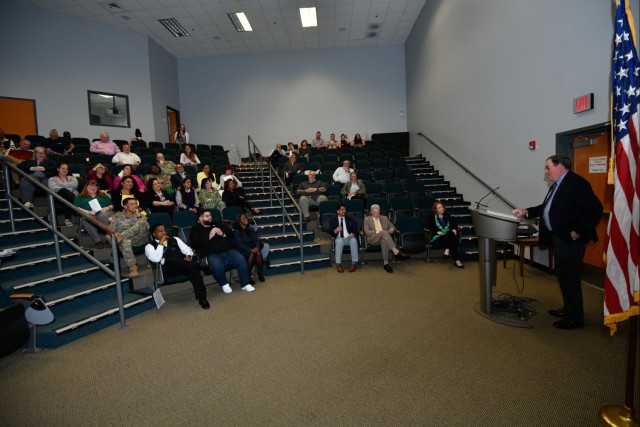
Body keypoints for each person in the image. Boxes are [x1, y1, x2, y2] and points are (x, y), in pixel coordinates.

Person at [512, 154, 603, 330]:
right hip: (559, 238)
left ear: (560, 166)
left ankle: (575, 319)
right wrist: (526, 211)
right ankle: (569, 309)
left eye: (548, 167)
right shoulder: (559, 184)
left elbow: (595, 209)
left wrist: (578, 231)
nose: (546, 172)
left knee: (570, 277)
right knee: (563, 275)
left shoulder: (577, 183)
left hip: (571, 240)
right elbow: (547, 208)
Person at [145, 223, 210, 309]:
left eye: (164, 230)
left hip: (184, 266)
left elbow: (188, 250)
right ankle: (199, 266)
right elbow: (156, 259)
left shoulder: (174, 239)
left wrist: (189, 256)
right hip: (168, 270)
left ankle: (202, 298)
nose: (164, 233)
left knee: (193, 269)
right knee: (173, 260)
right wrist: (161, 243)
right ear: (154, 234)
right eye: (160, 231)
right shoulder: (149, 246)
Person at [189, 209, 255, 293]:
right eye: (206, 216)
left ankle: (245, 284)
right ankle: (224, 284)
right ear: (200, 218)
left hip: (228, 251)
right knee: (217, 267)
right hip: (212, 253)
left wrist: (222, 234)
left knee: (241, 259)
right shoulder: (196, 229)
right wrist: (210, 235)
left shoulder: (217, 224)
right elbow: (196, 243)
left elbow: (231, 235)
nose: (209, 218)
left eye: (210, 215)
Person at [109, 197, 149, 278]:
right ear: (125, 206)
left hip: (139, 239)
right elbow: (110, 230)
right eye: (132, 204)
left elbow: (147, 227)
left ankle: (121, 236)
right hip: (125, 241)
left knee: (141, 224)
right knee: (125, 242)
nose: (135, 206)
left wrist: (138, 216)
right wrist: (115, 235)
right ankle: (133, 268)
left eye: (136, 204)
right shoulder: (117, 217)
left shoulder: (140, 215)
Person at [364, 204, 410, 273]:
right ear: (371, 212)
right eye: (375, 213)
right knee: (383, 232)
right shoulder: (367, 219)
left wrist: (391, 229)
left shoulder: (384, 218)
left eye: (378, 212)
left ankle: (386, 264)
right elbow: (367, 232)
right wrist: (377, 231)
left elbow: (392, 226)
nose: (377, 214)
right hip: (373, 239)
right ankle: (396, 251)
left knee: (384, 241)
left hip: (384, 238)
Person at [74, 179, 115, 249]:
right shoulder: (79, 197)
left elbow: (112, 205)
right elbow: (76, 208)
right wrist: (88, 212)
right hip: (90, 213)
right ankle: (98, 242)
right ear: (86, 187)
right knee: (87, 218)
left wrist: (107, 208)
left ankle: (109, 237)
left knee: (102, 216)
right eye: (91, 186)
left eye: (96, 186)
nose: (93, 187)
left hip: (105, 212)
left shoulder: (102, 195)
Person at [426, 201, 463, 269]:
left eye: (442, 207)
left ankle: (448, 249)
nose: (442, 208)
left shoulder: (447, 215)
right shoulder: (432, 217)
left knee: (449, 233)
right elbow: (428, 227)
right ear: (436, 210)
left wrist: (454, 229)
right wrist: (437, 232)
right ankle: (457, 260)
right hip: (438, 237)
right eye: (439, 208)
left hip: (448, 235)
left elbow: (454, 224)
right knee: (453, 239)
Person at [233, 214, 268, 284]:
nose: (246, 219)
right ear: (239, 222)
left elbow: (256, 240)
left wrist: (257, 247)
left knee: (258, 253)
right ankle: (248, 276)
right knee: (251, 254)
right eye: (243, 219)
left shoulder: (251, 229)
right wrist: (251, 250)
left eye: (246, 218)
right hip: (242, 251)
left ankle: (260, 273)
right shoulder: (237, 231)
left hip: (252, 249)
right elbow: (240, 245)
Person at [329, 204, 359, 273]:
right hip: (339, 238)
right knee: (339, 242)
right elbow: (330, 231)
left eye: (345, 209)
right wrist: (336, 230)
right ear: (337, 211)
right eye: (342, 209)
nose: (344, 211)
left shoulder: (350, 218)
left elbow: (357, 230)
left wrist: (354, 234)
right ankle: (338, 264)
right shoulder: (333, 219)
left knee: (354, 240)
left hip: (349, 237)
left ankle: (354, 263)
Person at [47, 162, 79, 226]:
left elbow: (75, 185)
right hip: (58, 198)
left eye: (66, 169)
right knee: (63, 191)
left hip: (72, 196)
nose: (65, 170)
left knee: (66, 197)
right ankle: (78, 208)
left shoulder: (72, 178)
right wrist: (67, 186)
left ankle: (67, 219)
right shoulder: (52, 179)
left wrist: (60, 185)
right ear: (58, 169)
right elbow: (53, 188)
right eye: (63, 168)